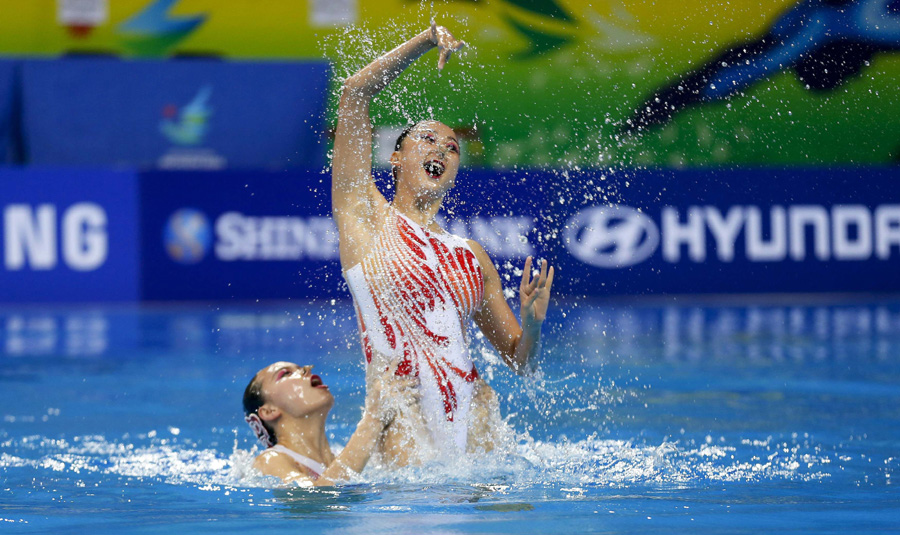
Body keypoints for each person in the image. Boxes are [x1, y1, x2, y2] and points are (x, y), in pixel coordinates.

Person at [332, 21, 555, 463]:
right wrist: (425, 40)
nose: (441, 150)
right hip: (405, 432)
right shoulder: (365, 217)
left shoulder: (471, 256)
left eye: (452, 147)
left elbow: (520, 362)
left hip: (478, 434)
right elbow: (355, 92)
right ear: (395, 158)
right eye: (427, 139)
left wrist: (532, 326)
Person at [243, 361, 409, 486]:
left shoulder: (346, 458)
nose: (307, 368)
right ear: (269, 411)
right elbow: (312, 501)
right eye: (285, 374)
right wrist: (373, 419)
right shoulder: (270, 460)